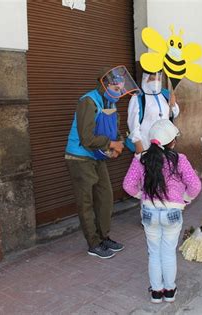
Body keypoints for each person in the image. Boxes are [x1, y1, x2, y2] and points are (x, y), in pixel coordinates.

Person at [123, 119, 202, 303]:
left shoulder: (141, 159)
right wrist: (185, 199)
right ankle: (169, 290)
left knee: (154, 252)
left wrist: (141, 195)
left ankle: (156, 292)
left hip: (149, 211)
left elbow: (128, 185)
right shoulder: (179, 160)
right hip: (172, 212)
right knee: (168, 252)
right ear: (172, 142)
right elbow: (195, 185)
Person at [65, 66, 139, 259]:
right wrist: (111, 144)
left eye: (121, 89)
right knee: (86, 202)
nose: (119, 93)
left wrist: (118, 144)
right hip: (79, 157)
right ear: (105, 85)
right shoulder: (88, 101)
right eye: (117, 89)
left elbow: (113, 130)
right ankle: (93, 243)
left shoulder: (110, 103)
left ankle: (104, 237)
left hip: (97, 156)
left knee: (105, 197)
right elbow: (86, 138)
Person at [127, 71, 179, 153]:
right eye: (152, 79)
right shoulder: (138, 97)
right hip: (146, 142)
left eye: (158, 79)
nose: (155, 81)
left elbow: (173, 114)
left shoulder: (165, 93)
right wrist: (138, 144)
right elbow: (133, 123)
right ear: (145, 79)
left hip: (165, 141)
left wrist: (173, 105)